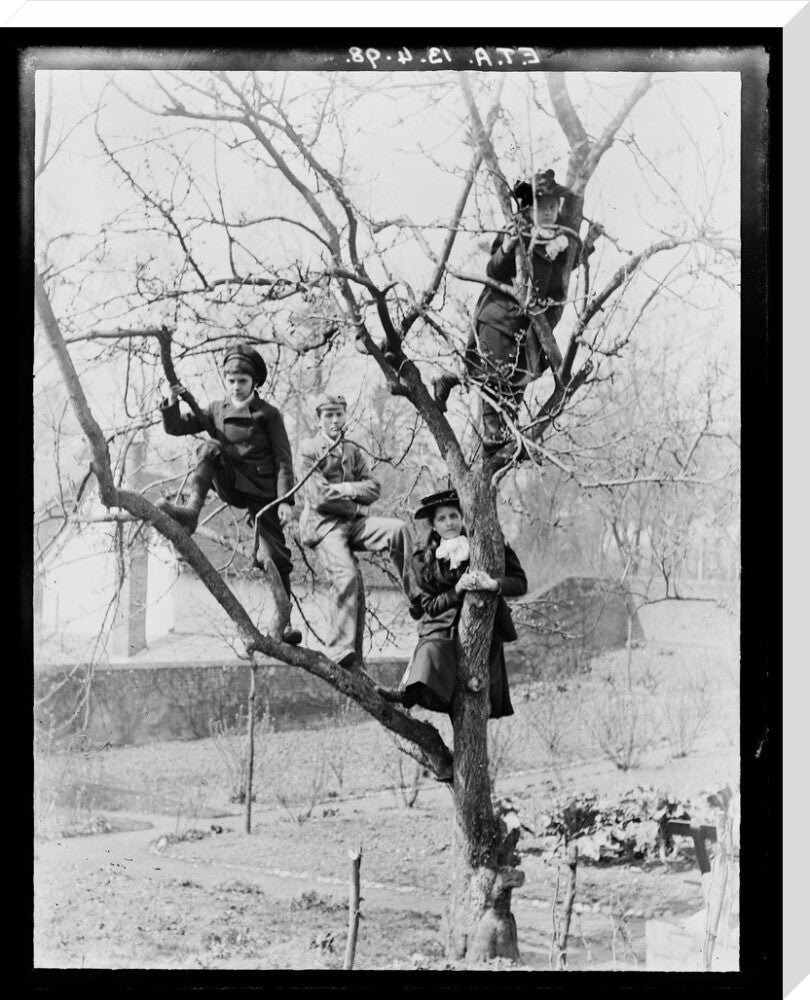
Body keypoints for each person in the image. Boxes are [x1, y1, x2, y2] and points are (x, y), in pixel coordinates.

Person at [433, 169, 600, 450]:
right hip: (501, 316)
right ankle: (493, 432)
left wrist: (588, 244)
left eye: (553, 207)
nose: (549, 213)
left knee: (518, 375)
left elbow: (562, 271)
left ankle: (469, 396)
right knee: (494, 375)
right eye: (542, 207)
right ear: (528, 207)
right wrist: (509, 246)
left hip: (527, 325)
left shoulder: (556, 239)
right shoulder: (516, 231)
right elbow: (494, 269)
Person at [157, 342, 302, 645]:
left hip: (263, 491)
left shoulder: (268, 414)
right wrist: (172, 401)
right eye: (231, 380)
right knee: (209, 447)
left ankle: (285, 623)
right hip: (232, 482)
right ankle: (192, 511)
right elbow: (176, 427)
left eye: (242, 381)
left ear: (254, 382)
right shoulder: (216, 409)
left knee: (275, 555)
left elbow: (283, 459)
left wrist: (285, 500)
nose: (236, 387)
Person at [377, 489, 527, 718]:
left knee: (474, 694)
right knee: (430, 651)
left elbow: (520, 583)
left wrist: (493, 584)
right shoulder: (424, 559)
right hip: (443, 629)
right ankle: (409, 693)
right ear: (433, 525)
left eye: (453, 516)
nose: (449, 523)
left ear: (462, 517)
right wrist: (457, 589)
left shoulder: (487, 547)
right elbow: (430, 606)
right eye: (441, 519)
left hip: (483, 628)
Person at [298, 393, 420, 670]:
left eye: (339, 414)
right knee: (346, 574)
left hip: (352, 523)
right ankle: (339, 649)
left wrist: (345, 488)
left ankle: (416, 596)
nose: (334, 420)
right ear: (318, 420)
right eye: (328, 415)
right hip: (324, 527)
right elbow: (319, 498)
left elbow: (374, 488)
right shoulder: (309, 449)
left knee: (398, 530)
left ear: (345, 416)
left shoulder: (352, 450)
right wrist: (355, 500)